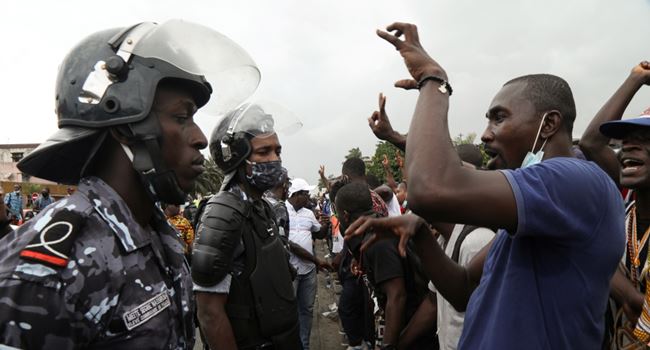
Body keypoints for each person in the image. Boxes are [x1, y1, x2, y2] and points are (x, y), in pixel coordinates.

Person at [347, 22, 625, 349]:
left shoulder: (575, 180)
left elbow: (430, 188)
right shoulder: (536, 210)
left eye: (499, 117)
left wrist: (433, 81)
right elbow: (462, 288)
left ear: (549, 124)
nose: (485, 134)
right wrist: (420, 233)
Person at [0, 19, 259, 349]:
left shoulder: (157, 234)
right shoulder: (45, 275)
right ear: (125, 129)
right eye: (182, 117)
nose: (200, 139)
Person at [192, 103, 301, 350]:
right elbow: (209, 312)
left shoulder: (263, 208)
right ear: (237, 159)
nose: (275, 159)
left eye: (277, 150)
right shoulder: (223, 214)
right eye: (264, 152)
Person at [579, 60, 650, 347]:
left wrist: (599, 261)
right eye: (627, 140)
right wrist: (635, 79)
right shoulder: (623, 217)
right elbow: (592, 143)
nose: (629, 146)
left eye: (646, 140)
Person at [286, 177, 330, 350]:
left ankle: (303, 345)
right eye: (306, 194)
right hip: (291, 271)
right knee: (290, 312)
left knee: (307, 310)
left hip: (308, 272)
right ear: (297, 195)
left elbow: (318, 234)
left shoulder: (308, 213)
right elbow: (290, 245)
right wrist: (316, 259)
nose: (309, 197)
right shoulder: (282, 211)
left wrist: (325, 225)